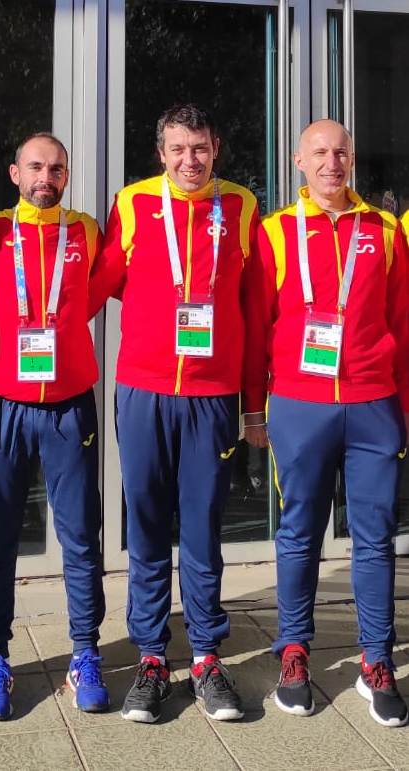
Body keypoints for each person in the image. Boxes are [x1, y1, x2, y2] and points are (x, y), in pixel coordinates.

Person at [88, 103, 259, 723]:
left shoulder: (242, 206)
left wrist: (255, 403)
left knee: (204, 525)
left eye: (201, 148)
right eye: (178, 149)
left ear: (217, 148)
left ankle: (209, 656)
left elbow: (256, 305)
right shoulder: (132, 203)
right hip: (143, 390)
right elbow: (97, 282)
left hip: (212, 397)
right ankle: (153, 658)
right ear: (161, 153)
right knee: (149, 525)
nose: (190, 160)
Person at [244, 119, 409, 728]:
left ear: (353, 160)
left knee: (375, 537)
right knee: (299, 532)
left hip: (373, 405)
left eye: (341, 153)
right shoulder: (274, 233)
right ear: (298, 162)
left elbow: (405, 324)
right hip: (300, 405)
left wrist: (405, 412)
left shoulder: (385, 231)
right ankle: (294, 651)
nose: (332, 163)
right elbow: (256, 326)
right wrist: (254, 408)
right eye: (320, 152)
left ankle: (376, 659)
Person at [0, 132, 108, 719]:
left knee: (79, 533)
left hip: (69, 402)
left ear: (67, 177)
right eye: (35, 167)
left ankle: (85, 652)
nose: (45, 176)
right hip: (1, 403)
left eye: (56, 168)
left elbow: (99, 294)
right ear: (14, 172)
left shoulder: (89, 232)